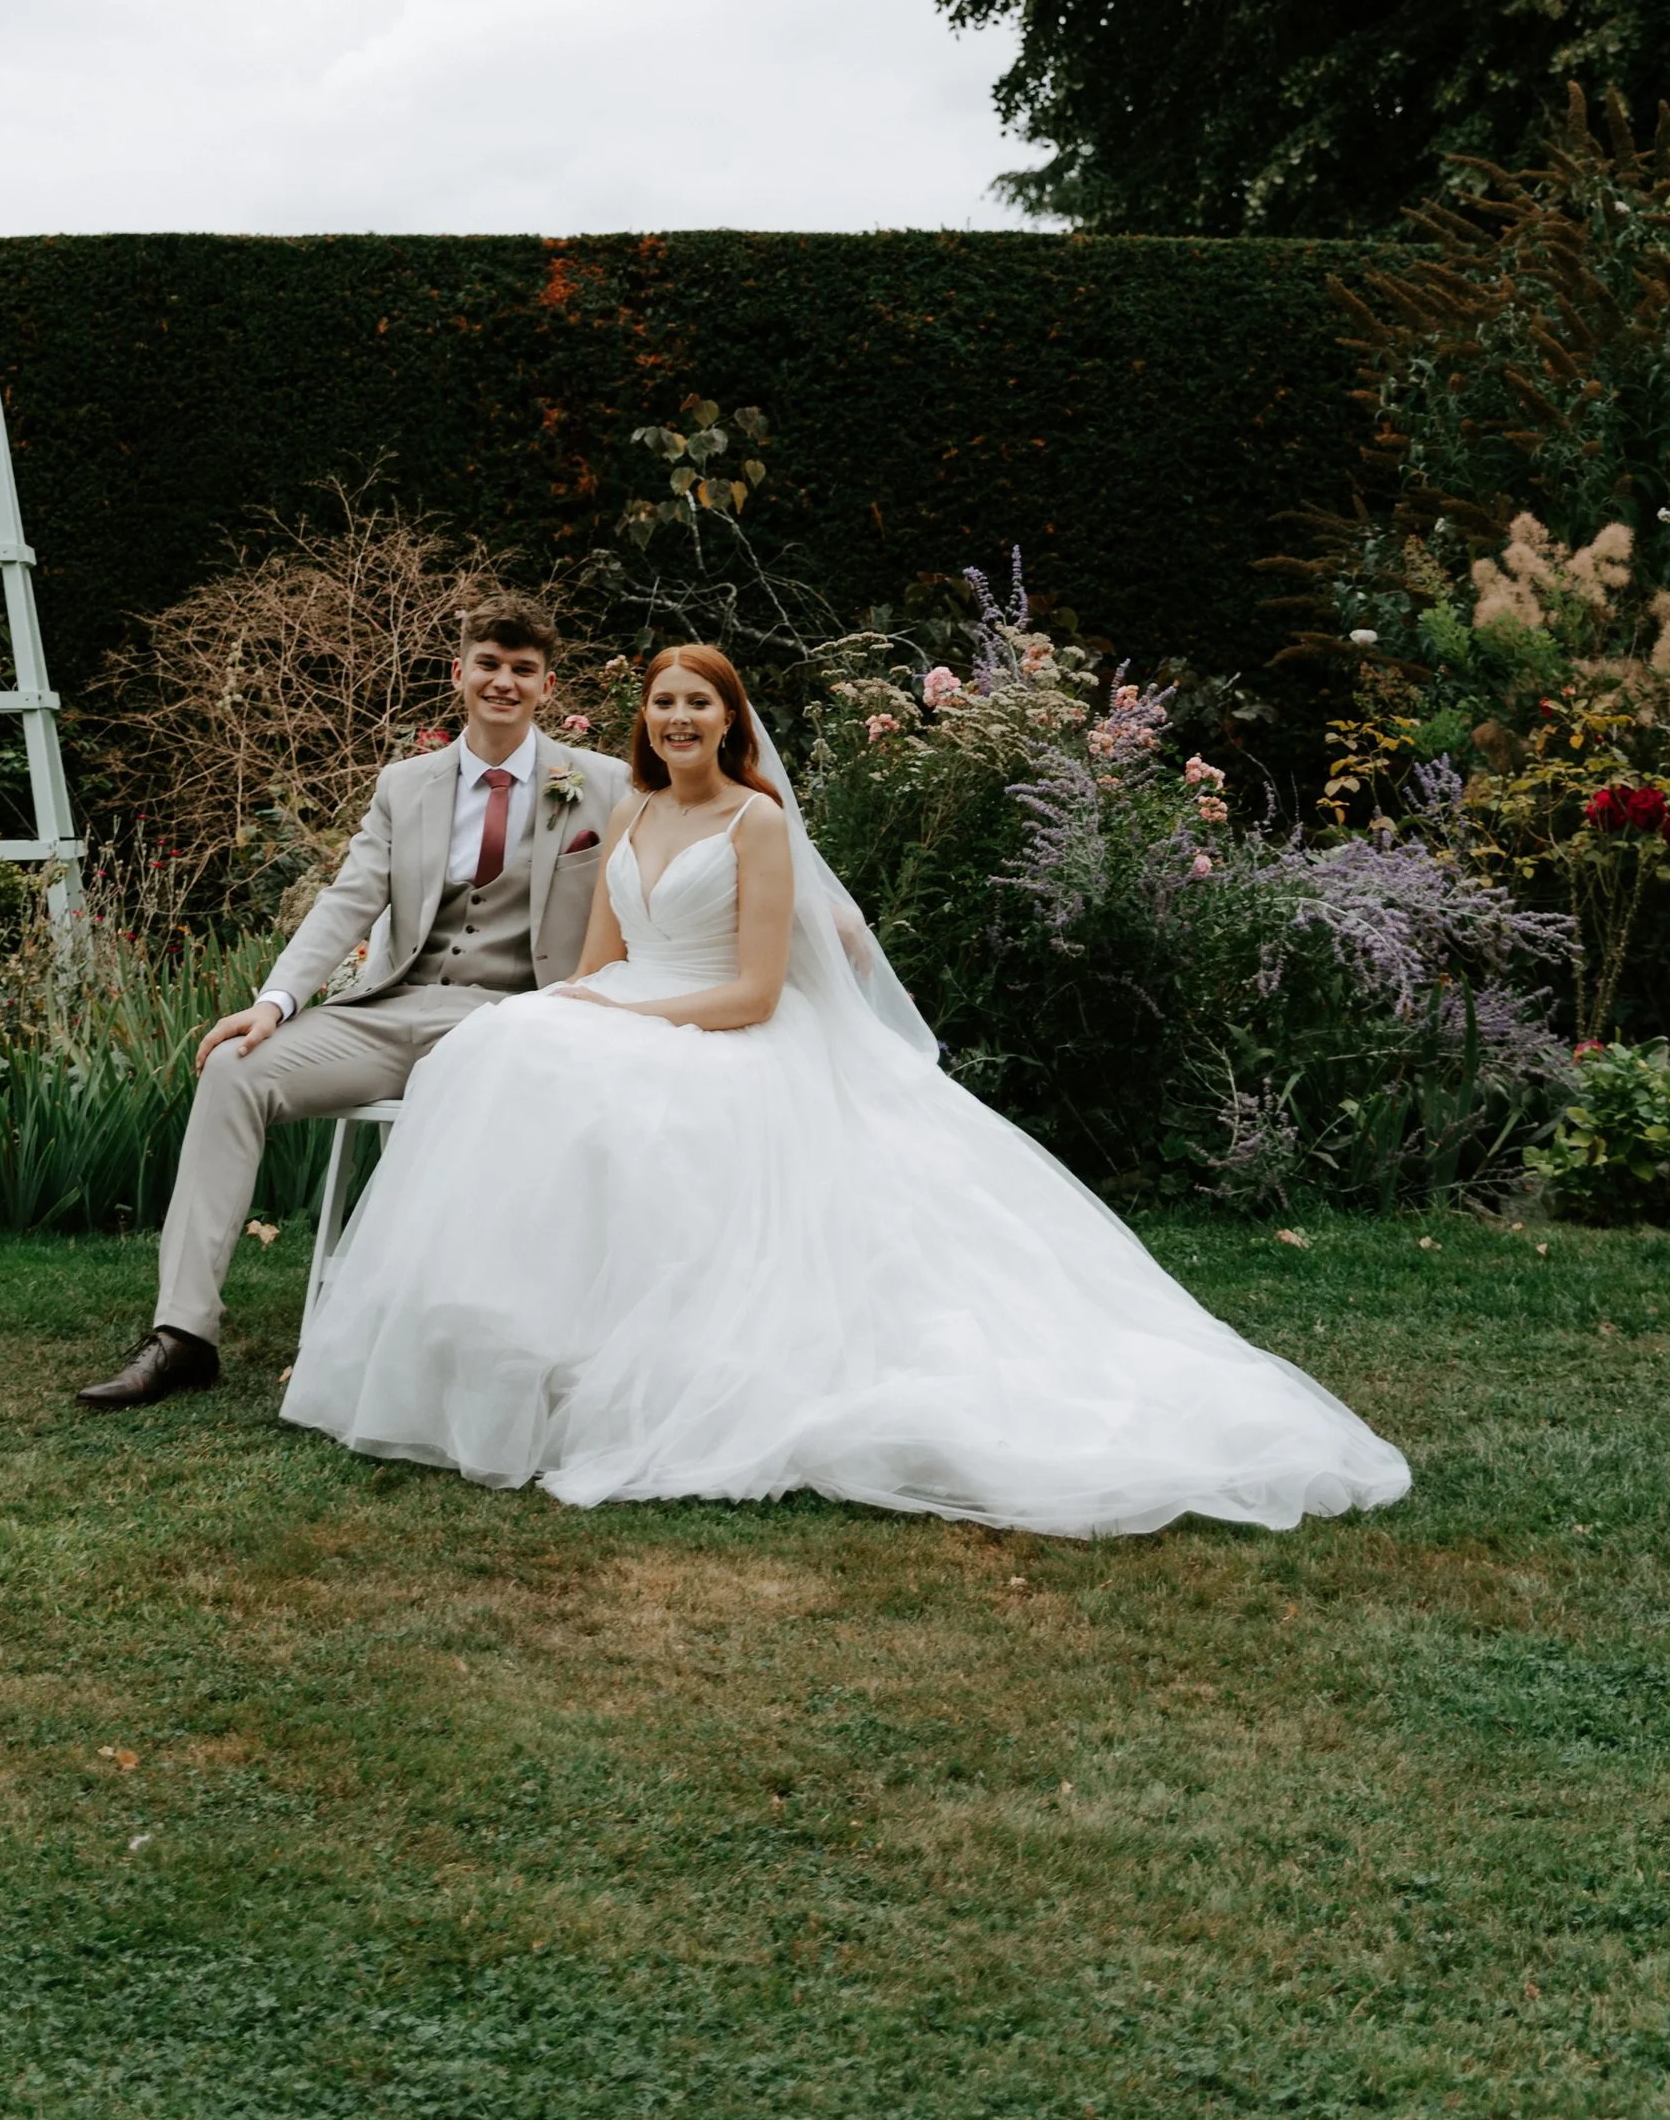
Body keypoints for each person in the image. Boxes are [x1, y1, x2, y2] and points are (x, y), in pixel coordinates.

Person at [281, 643, 1413, 1535]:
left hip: (719, 1029)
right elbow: (590, 967)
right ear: (644, 721)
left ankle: (637, 1368)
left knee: (593, 1086)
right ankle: (503, 1351)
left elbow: (757, 993)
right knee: (504, 1050)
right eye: (662, 703)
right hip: (622, 1005)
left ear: (731, 721)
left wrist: (617, 1013)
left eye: (699, 705)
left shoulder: (755, 821)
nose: (678, 720)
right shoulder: (623, 812)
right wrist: (574, 1008)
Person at [76, 599, 630, 1408]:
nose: (502, 683)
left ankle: (441, 1330)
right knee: (235, 1068)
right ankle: (183, 1333)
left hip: (511, 1023)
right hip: (388, 1010)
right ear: (459, 674)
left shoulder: (602, 783)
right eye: (488, 665)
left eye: (521, 670)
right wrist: (274, 1001)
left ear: (547, 686)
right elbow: (348, 899)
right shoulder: (405, 786)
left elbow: (673, 858)